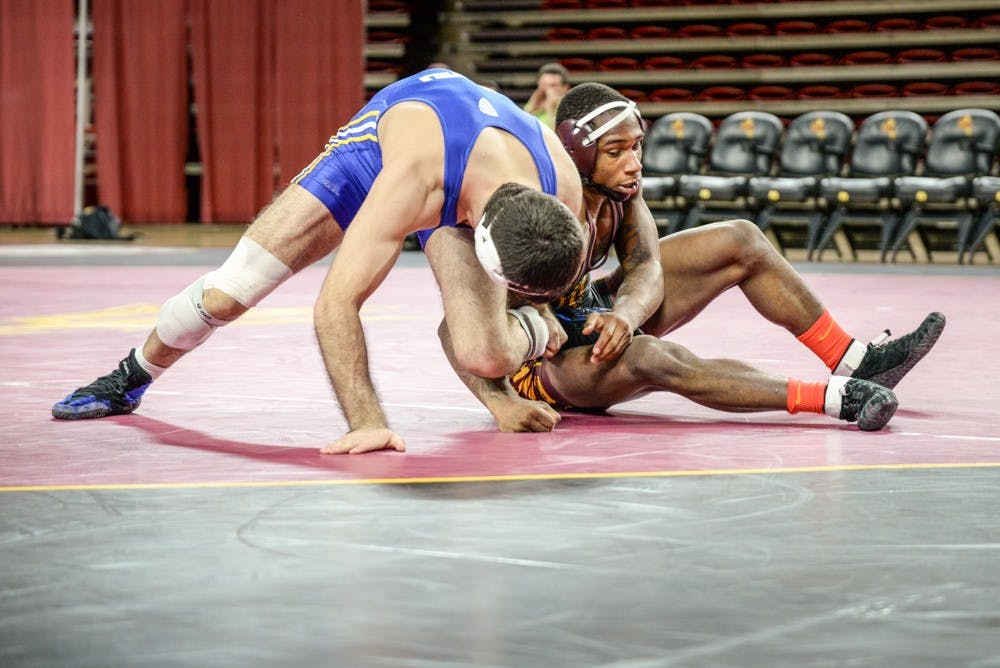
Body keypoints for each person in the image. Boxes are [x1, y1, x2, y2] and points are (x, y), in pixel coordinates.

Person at [51, 68, 591, 455]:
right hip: (377, 153)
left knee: (489, 352)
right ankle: (129, 376)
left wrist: (530, 316)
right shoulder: (413, 183)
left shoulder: (563, 185)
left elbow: (551, 261)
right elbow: (336, 304)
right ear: (479, 236)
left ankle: (518, 349)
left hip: (472, 176)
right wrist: (368, 422)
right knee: (232, 290)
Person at [440, 82, 945, 433]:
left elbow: (646, 268)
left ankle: (855, 362)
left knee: (740, 239)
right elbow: (453, 329)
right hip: (546, 367)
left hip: (593, 311)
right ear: (577, 156)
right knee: (649, 357)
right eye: (616, 151)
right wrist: (501, 400)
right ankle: (836, 399)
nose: (634, 163)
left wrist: (627, 313)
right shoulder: (535, 206)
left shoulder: (621, 194)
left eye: (638, 146)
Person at [523, 63, 571, 130]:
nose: (547, 90)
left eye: (553, 85)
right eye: (544, 85)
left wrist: (550, 109)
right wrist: (530, 109)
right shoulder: (533, 105)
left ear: (565, 88)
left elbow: (560, 137)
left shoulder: (569, 110)